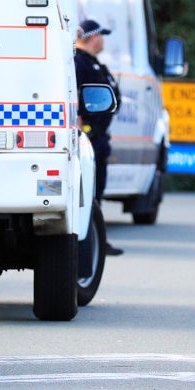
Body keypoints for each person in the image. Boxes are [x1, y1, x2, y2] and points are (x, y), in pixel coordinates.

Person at [73, 19, 123, 256]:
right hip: (88, 137)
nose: (103, 39)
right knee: (89, 192)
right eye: (101, 35)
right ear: (93, 37)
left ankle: (96, 242)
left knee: (97, 190)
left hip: (99, 137)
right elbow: (75, 101)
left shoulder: (94, 64)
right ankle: (89, 243)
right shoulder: (78, 63)